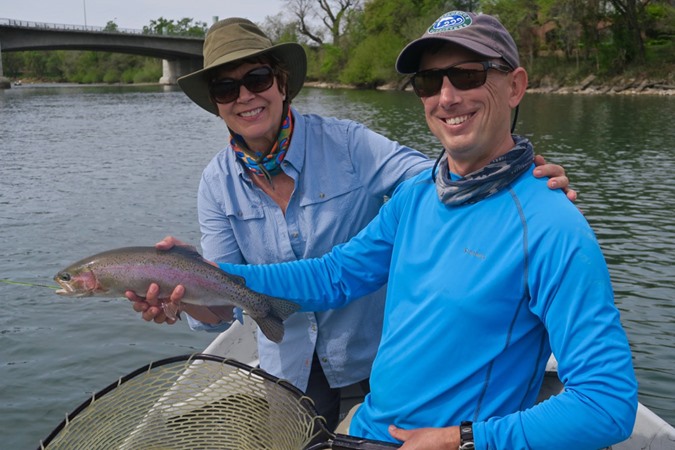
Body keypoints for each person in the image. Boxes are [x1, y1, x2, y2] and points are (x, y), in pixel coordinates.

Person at [127, 17, 577, 433]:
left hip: (374, 358)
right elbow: (231, 306)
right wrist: (184, 290)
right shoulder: (215, 185)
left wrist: (513, 173)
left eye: (257, 79)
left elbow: (444, 184)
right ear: (217, 104)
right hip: (287, 363)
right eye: (226, 89)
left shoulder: (351, 145)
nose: (245, 96)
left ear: (281, 83)